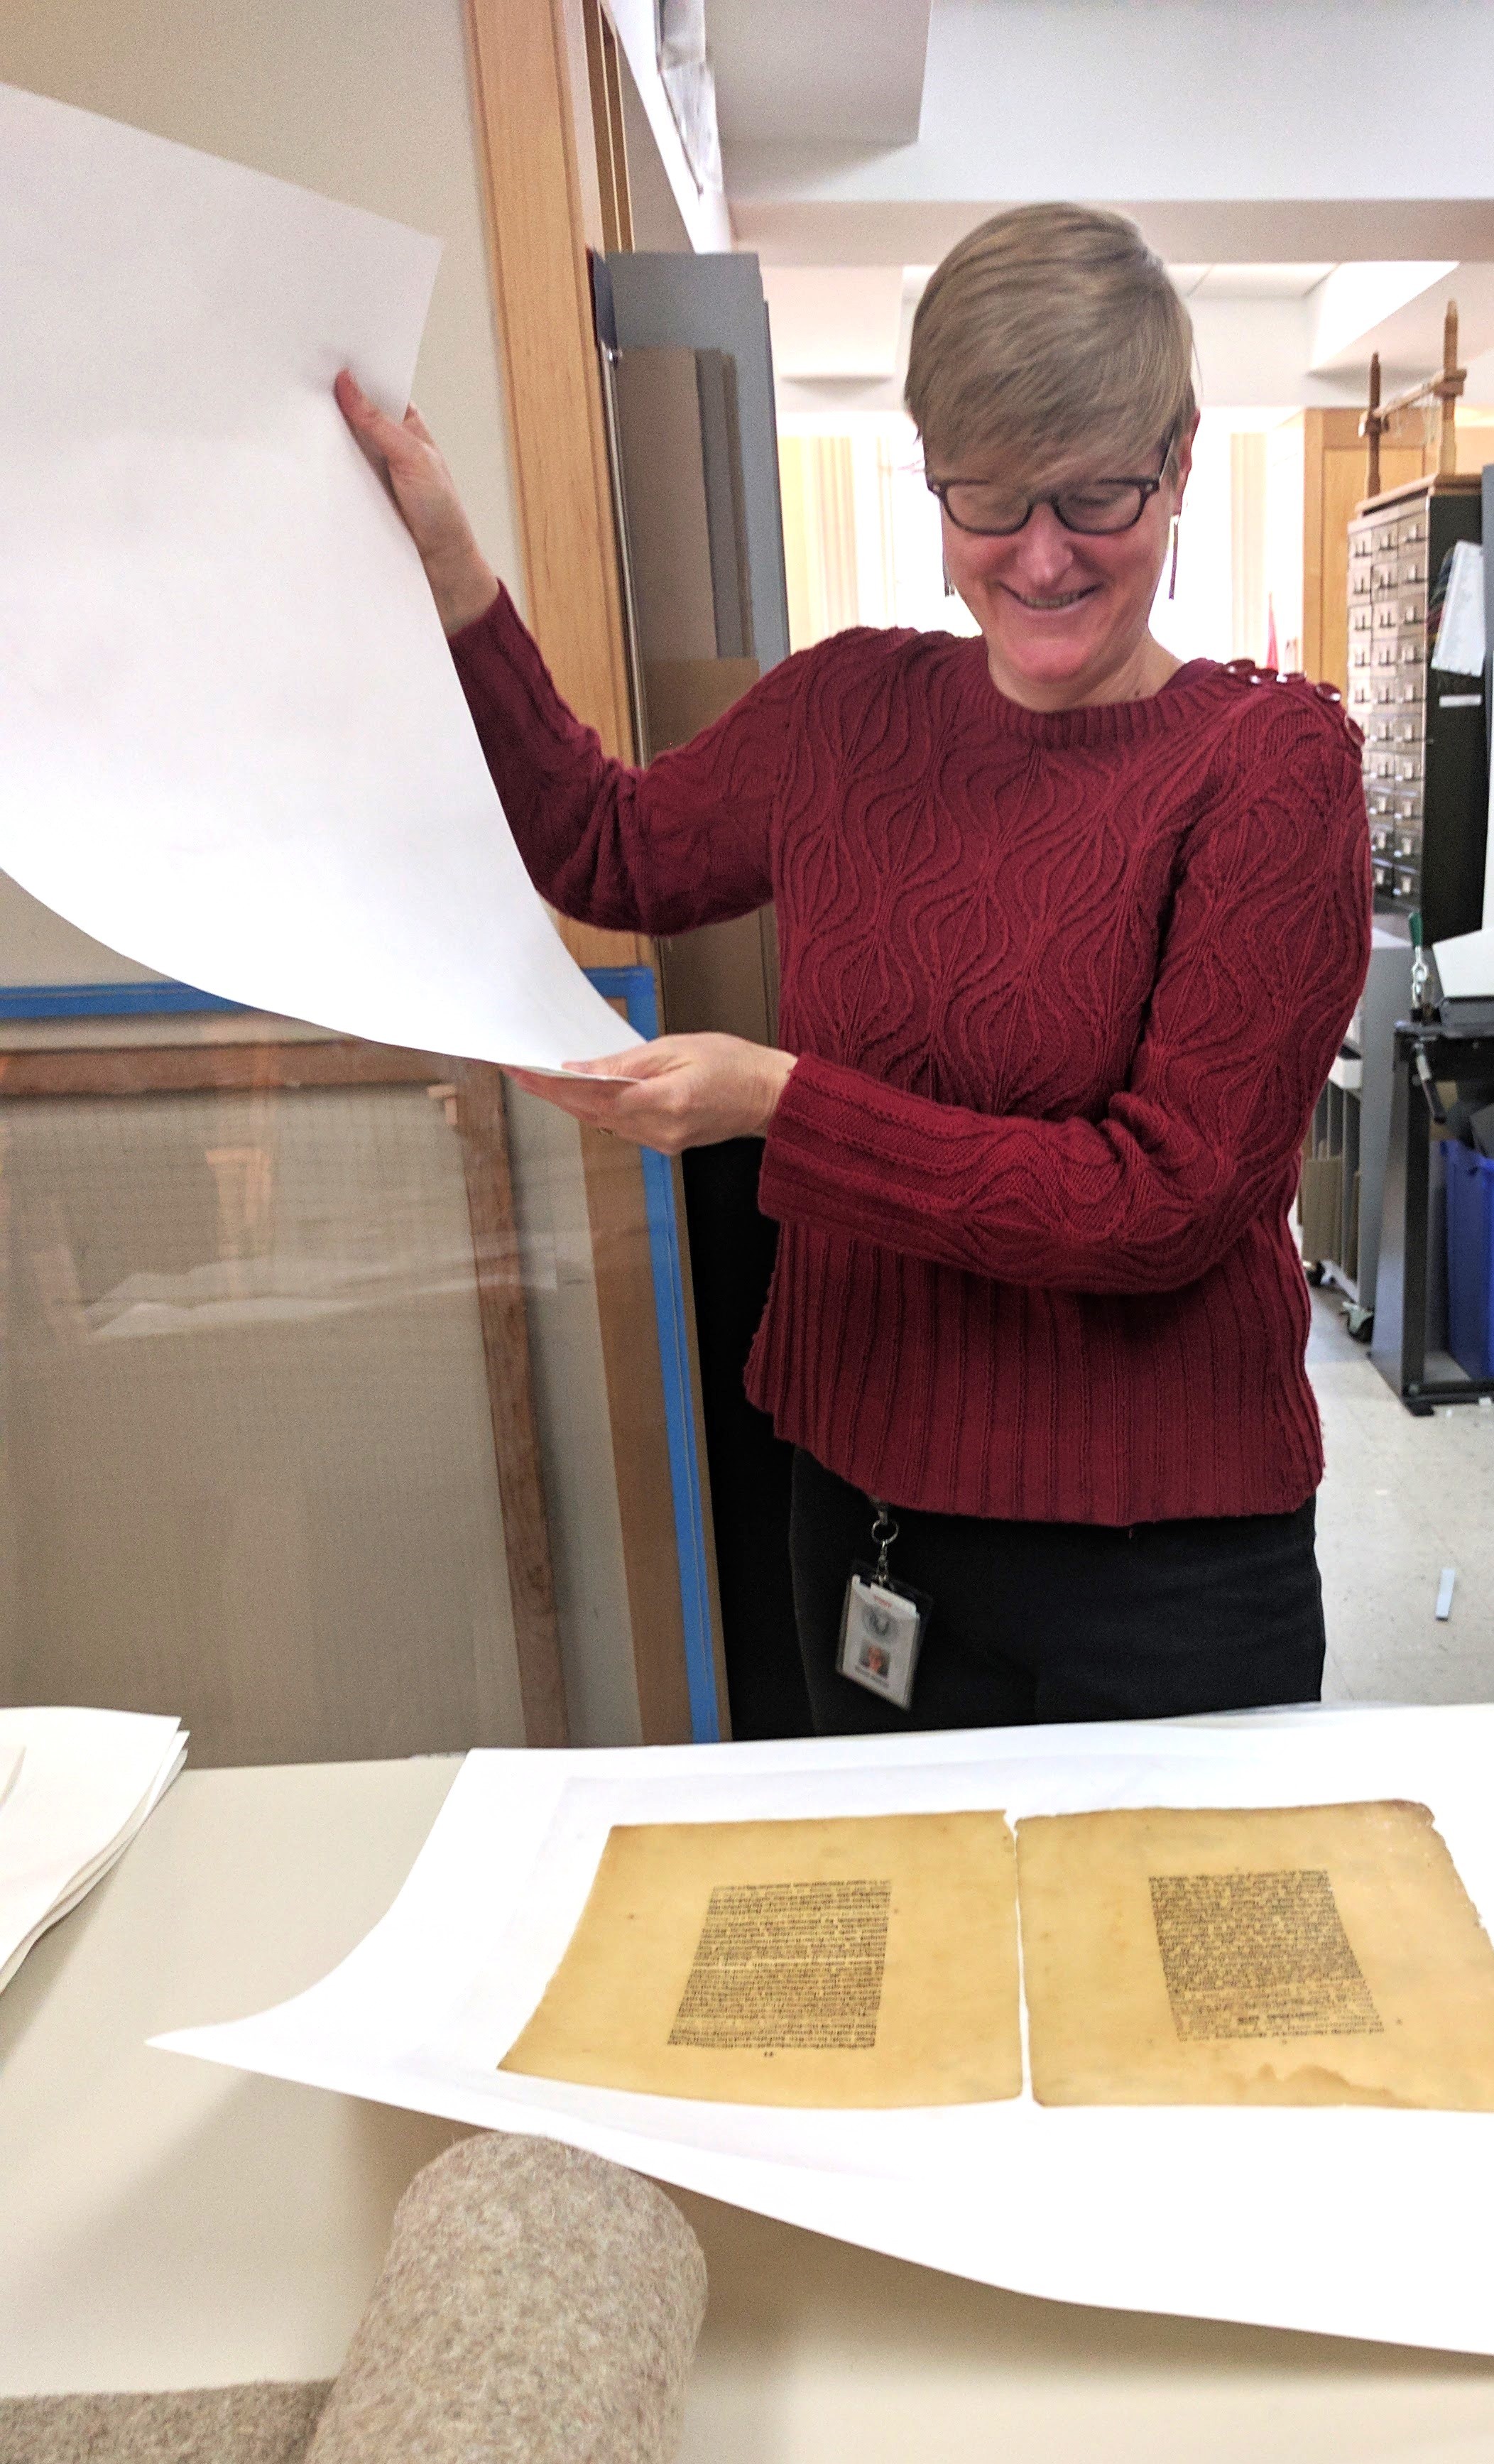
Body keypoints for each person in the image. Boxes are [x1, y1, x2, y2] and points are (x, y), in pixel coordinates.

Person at [338, 202, 1370, 1735]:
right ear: (930, 471)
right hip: (863, 1520)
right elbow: (607, 851)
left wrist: (781, 1104)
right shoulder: (845, 716)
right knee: (917, 1972)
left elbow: (1164, 1202)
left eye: (1095, 496)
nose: (1039, 556)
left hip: (1163, 1578)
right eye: (987, 496)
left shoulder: (1269, 769)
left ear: (1181, 462)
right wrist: (452, 575)